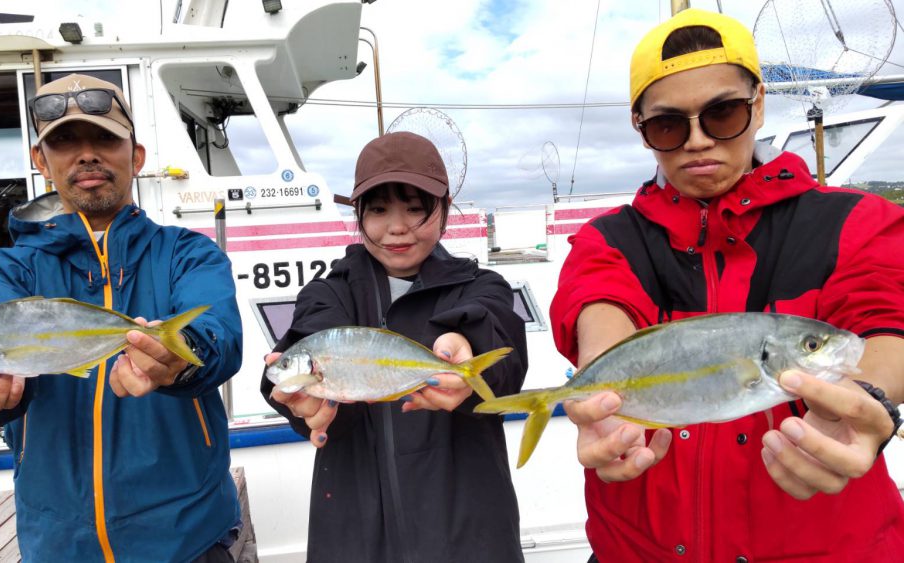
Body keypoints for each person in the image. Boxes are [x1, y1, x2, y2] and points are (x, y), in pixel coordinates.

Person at [550, 9, 904, 562]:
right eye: (668, 124)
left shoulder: (856, 222)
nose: (696, 142)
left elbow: (886, 321)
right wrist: (608, 392)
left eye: (723, 114)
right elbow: (599, 301)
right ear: (639, 126)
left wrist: (868, 397)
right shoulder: (607, 240)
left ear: (758, 104)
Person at [0, 74, 244, 563]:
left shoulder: (188, 253)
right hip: (59, 546)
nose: (85, 155)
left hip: (187, 539)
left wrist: (181, 357)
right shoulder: (5, 269)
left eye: (104, 138)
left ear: (135, 156)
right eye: (63, 141)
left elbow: (218, 337)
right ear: (41, 161)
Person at [260, 131, 528, 563]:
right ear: (359, 215)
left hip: (471, 536)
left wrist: (465, 345)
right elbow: (309, 335)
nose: (397, 227)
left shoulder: (481, 285)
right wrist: (304, 404)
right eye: (379, 210)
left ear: (443, 211)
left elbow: (497, 333)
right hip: (354, 540)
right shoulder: (330, 294)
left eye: (416, 209)